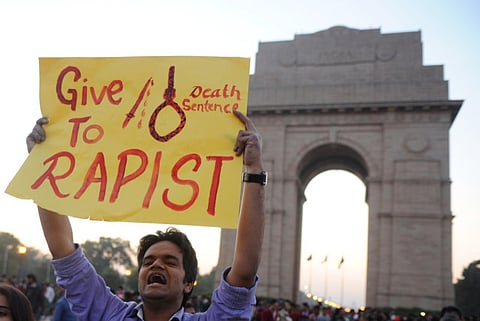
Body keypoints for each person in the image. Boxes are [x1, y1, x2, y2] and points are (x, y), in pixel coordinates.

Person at [26, 110, 266, 321]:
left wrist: (254, 171)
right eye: (148, 262)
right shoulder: (109, 314)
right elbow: (63, 250)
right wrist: (43, 164)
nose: (156, 264)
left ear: (187, 284)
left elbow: (244, 272)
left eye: (170, 262)